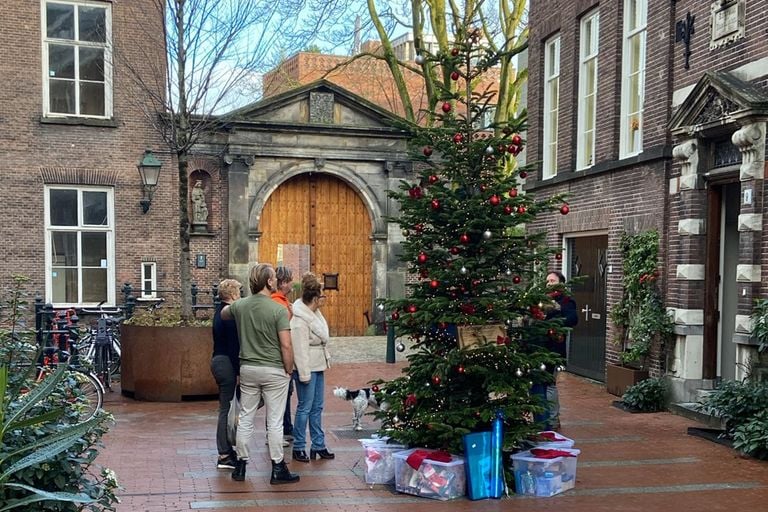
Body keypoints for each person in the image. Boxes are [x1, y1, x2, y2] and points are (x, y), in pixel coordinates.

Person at [221, 264, 299, 484]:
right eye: (273, 277)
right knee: (274, 420)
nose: (275, 280)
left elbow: (224, 313)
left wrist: (237, 306)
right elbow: (286, 345)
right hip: (273, 369)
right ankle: (277, 467)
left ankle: (241, 466)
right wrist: (289, 369)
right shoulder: (278, 310)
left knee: (246, 417)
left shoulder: (242, 306)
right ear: (268, 282)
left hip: (248, 369)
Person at [290, 272, 334, 462]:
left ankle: (318, 444)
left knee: (317, 407)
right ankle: (299, 446)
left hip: (318, 364)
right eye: (322, 295)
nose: (324, 299)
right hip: (307, 367)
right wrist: (303, 374)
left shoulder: (315, 314)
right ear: (315, 298)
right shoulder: (300, 320)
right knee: (304, 407)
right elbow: (299, 350)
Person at [537, 271, 578, 430]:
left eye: (552, 281)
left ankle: (553, 420)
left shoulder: (566, 301)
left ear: (561, 283)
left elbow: (573, 319)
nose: (548, 284)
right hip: (537, 348)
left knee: (549, 384)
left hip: (553, 349)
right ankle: (540, 418)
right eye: (547, 281)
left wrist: (557, 313)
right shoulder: (541, 300)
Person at [210, 278, 242, 470]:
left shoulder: (219, 312)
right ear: (231, 294)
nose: (240, 294)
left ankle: (226, 451)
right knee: (227, 409)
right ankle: (224, 454)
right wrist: (238, 370)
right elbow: (233, 346)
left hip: (219, 360)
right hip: (226, 363)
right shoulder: (228, 314)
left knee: (227, 408)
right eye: (238, 291)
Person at [270, 266, 295, 446]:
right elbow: (284, 336)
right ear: (284, 282)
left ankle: (286, 427)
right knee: (280, 396)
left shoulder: (283, 302)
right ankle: (279, 432)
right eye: (291, 279)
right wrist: (289, 365)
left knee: (286, 394)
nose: (293, 282)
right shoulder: (279, 304)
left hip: (279, 357)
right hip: (279, 358)